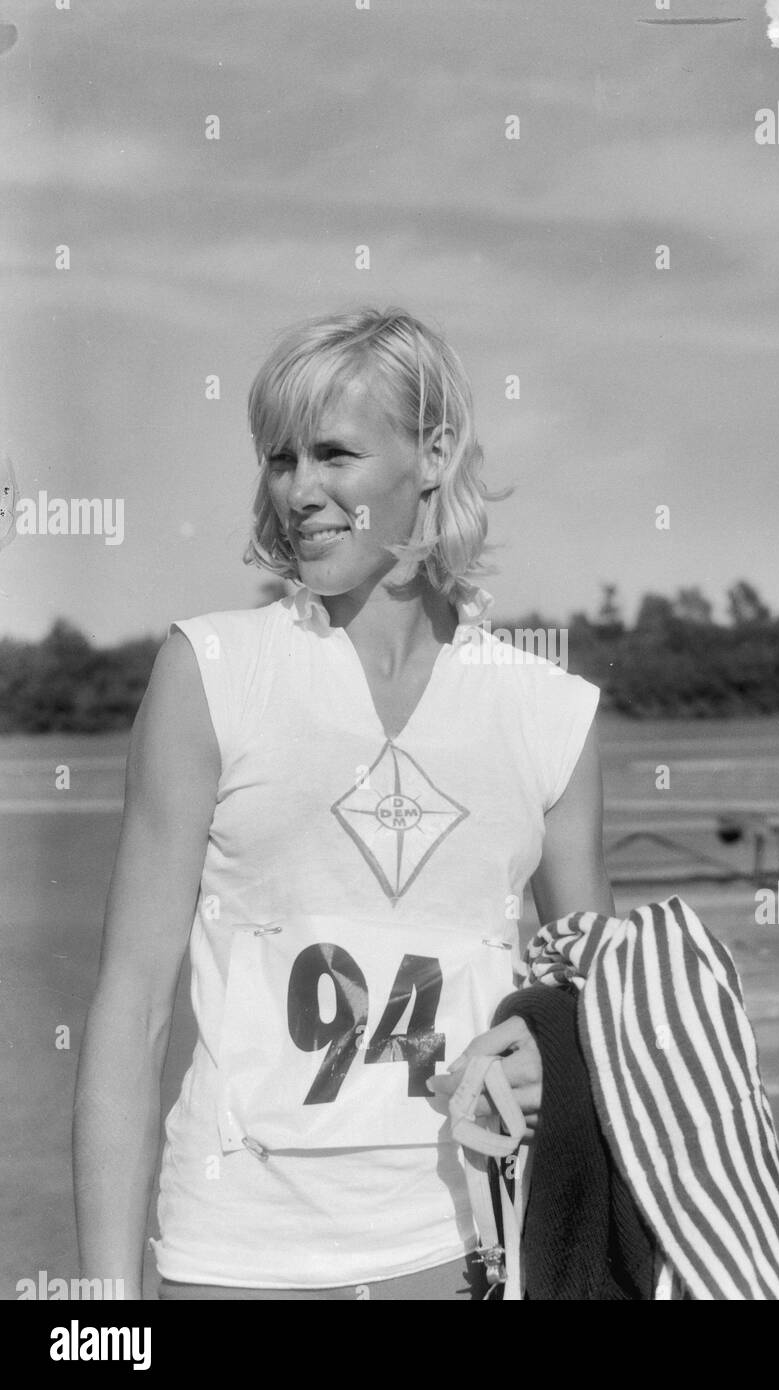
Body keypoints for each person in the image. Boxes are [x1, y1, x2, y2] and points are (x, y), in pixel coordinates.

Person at [73, 306, 615, 1300]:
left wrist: (554, 1057)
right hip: (236, 1256)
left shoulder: (550, 713)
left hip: (469, 1251)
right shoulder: (211, 672)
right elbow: (133, 1004)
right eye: (280, 460)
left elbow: (600, 1008)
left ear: (434, 452)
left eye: (332, 454)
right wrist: (110, 1317)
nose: (298, 491)